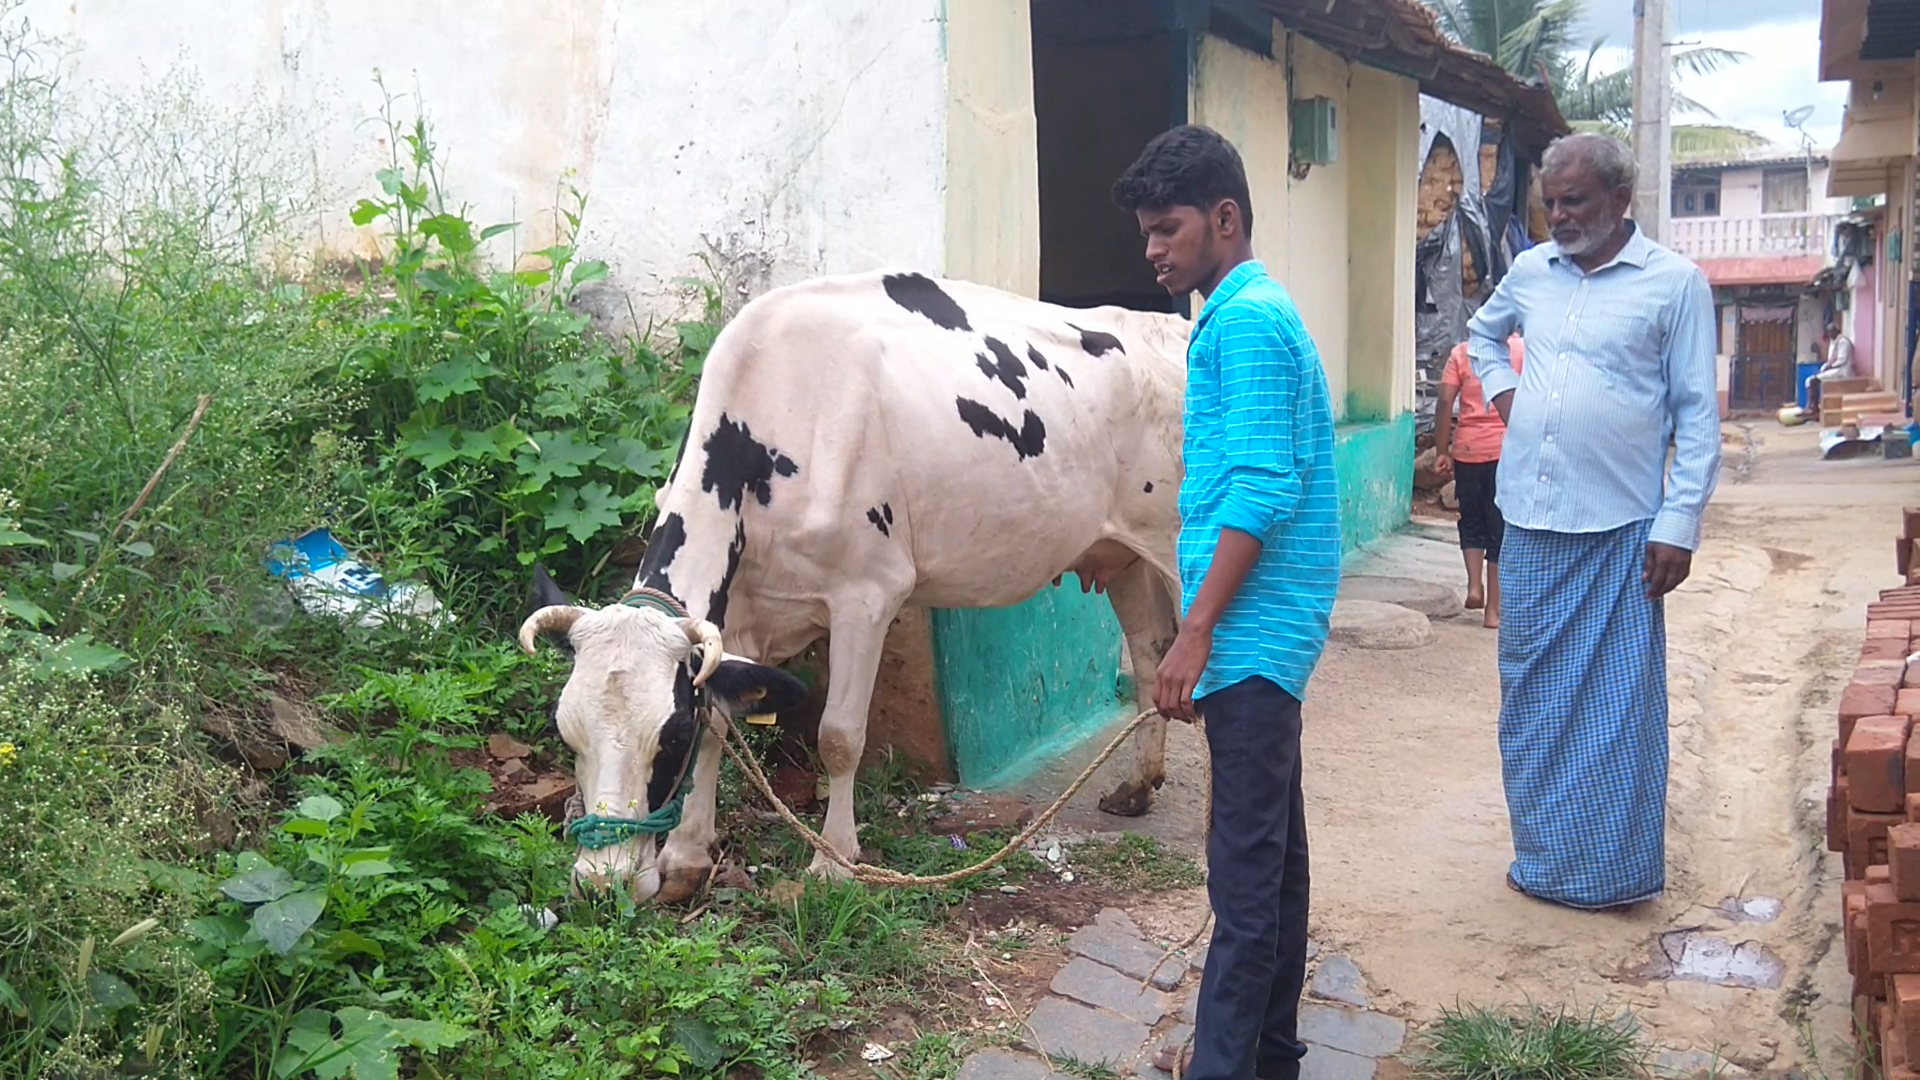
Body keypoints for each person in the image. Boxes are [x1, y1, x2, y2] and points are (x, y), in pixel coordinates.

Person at [1111, 125, 1340, 1080]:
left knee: (1242, 887)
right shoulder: (1249, 312)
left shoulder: (1244, 322)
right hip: (1267, 634)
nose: (1154, 249)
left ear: (1225, 218)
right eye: (1147, 233)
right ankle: (1272, 1057)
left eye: (1168, 229)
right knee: (1276, 868)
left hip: (1249, 635)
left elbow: (1256, 490)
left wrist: (1192, 634)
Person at [1466, 132, 1720, 913]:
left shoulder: (1675, 285)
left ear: (1620, 200)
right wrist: (1509, 396)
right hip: (1532, 521)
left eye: (1575, 201)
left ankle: (1606, 876)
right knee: (1533, 702)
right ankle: (1542, 862)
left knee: (1614, 712)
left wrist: (1678, 523)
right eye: (1552, 201)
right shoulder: (1529, 272)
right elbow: (1482, 333)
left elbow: (1698, 414)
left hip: (1622, 529)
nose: (1559, 215)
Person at [1435, 332, 1523, 629]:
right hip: (1505, 451)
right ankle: (1493, 611)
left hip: (1467, 451)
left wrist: (1442, 450)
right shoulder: (1522, 350)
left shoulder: (1462, 353)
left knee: (1471, 520)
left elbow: (1445, 400)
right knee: (1499, 527)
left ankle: (1474, 587)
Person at [1806, 321, 1854, 410]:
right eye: (1828, 332)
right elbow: (1830, 360)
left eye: (1831, 332)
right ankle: (1810, 405)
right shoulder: (1834, 342)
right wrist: (1823, 368)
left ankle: (1813, 407)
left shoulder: (1843, 342)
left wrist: (1830, 367)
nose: (1829, 334)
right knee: (1811, 379)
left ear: (1836, 331)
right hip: (1835, 369)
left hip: (1842, 370)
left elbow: (1842, 360)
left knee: (1814, 381)